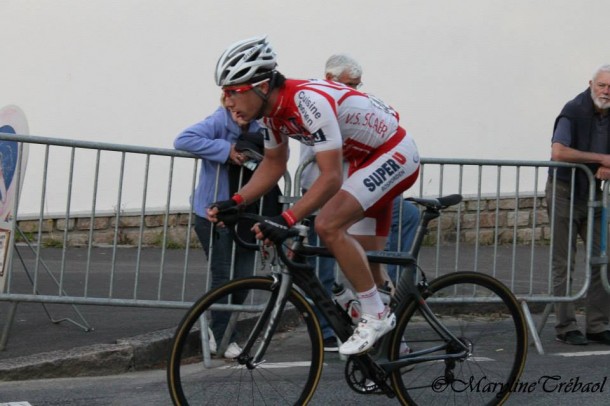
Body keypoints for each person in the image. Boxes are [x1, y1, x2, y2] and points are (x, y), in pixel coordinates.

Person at [208, 36, 420, 355]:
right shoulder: (269, 115)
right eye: (224, 93)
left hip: (392, 152)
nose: (227, 102)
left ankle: (376, 316)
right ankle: (394, 346)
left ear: (262, 86)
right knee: (370, 264)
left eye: (232, 92)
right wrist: (236, 202)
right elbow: (274, 164)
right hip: (360, 160)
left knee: (328, 225)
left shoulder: (308, 101)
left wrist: (286, 218)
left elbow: (331, 176)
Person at [298, 54, 420, 351]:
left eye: (357, 84)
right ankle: (331, 327)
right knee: (322, 270)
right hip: (324, 194)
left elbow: (388, 124)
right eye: (349, 84)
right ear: (331, 80)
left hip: (357, 192)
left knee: (374, 264)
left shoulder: (354, 104)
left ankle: (391, 332)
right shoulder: (317, 105)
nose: (356, 90)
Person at [174, 95, 281, 358]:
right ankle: (223, 336)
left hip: (245, 214)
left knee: (243, 280)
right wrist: (226, 150)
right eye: (231, 102)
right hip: (213, 213)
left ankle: (220, 330)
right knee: (223, 277)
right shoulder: (218, 120)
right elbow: (182, 140)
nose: (237, 110)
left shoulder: (261, 124)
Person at [546, 64, 610, 346]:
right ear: (591, 84)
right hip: (564, 192)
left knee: (602, 260)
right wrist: (599, 159)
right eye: (602, 86)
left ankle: (597, 324)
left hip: (594, 195)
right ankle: (566, 325)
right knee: (564, 262)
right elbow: (558, 152)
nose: (606, 92)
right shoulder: (573, 109)